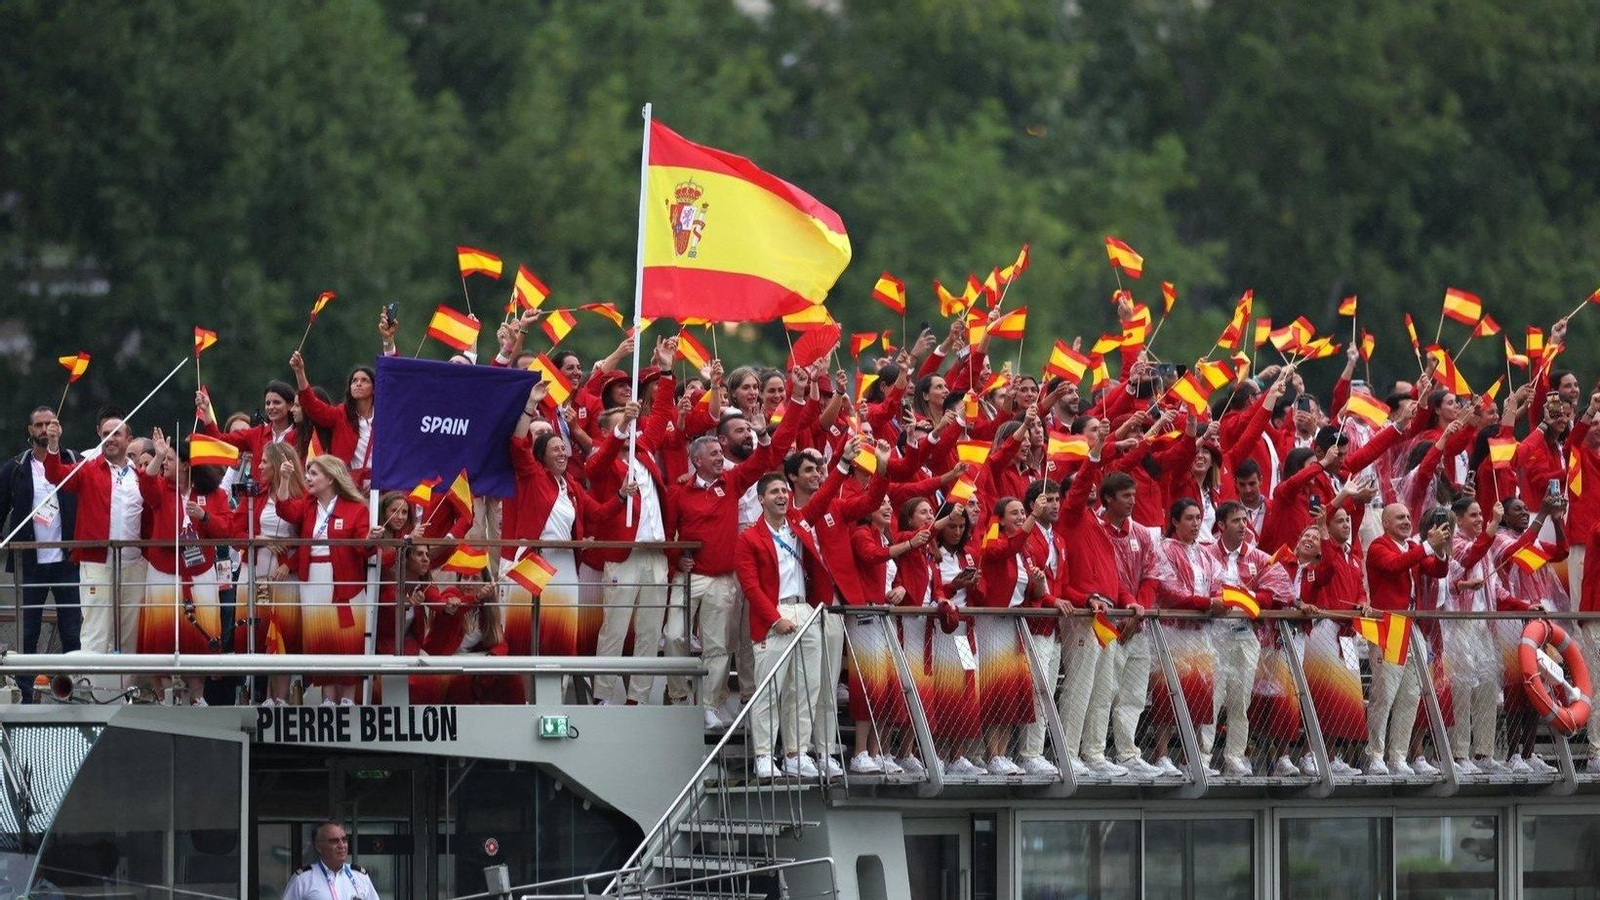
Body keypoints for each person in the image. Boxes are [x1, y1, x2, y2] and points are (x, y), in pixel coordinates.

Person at [735, 474, 830, 779]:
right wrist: (775, 619)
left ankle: (796, 753)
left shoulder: (799, 524)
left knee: (805, 687)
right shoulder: (749, 537)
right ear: (760, 499)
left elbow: (826, 494)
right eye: (774, 491)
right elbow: (750, 587)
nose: (781, 496)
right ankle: (763, 755)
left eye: (784, 491)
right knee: (769, 689)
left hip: (804, 608)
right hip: (773, 613)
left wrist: (843, 461)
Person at [137, 429, 233, 704]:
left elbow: (226, 530)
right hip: (164, 571)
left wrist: (204, 516)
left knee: (199, 636)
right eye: (163, 460)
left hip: (200, 570)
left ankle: (197, 695)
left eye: (170, 459)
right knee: (163, 636)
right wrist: (158, 454)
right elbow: (146, 484)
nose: (165, 463)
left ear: (186, 464)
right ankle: (167, 693)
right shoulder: (161, 489)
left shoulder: (213, 494)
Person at [41, 408, 144, 657]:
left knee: (130, 635)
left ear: (128, 439)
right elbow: (56, 475)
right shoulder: (87, 468)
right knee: (96, 633)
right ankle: (95, 694)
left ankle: (126, 693)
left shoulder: (139, 475)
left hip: (134, 563)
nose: (110, 438)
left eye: (116, 434)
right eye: (106, 433)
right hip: (97, 562)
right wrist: (53, 443)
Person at [273, 455, 371, 705]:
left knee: (348, 639)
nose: (308, 478)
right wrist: (284, 479)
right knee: (320, 638)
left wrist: (373, 539)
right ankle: (328, 697)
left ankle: (349, 698)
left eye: (314, 473)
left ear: (331, 477)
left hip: (344, 581)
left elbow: (365, 548)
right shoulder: (308, 505)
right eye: (308, 473)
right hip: (312, 580)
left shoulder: (356, 508)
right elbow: (284, 509)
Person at [1361, 502, 1450, 776]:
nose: (1406, 520)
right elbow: (1393, 566)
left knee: (1411, 695)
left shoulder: (1412, 547)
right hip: (1390, 625)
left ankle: (1398, 756)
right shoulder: (1378, 546)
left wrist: (1442, 548)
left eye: (1408, 516)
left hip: (1412, 626)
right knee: (1384, 694)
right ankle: (1374, 755)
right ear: (1385, 522)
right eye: (1399, 517)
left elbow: (1438, 570)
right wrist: (1426, 546)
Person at [1, 408, 80, 701]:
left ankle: (75, 691)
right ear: (30, 430)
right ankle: (24, 692)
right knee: (28, 632)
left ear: (59, 427)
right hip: (30, 564)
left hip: (67, 562)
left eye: (51, 424)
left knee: (72, 629)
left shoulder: (74, 462)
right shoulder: (16, 467)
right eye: (39, 425)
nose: (45, 429)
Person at [282, 820, 378, 900]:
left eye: (344, 840)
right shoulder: (303, 879)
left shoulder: (360, 877)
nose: (341, 846)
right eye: (334, 841)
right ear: (319, 847)